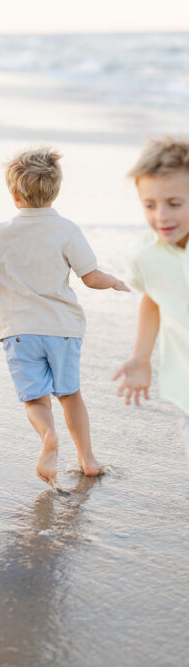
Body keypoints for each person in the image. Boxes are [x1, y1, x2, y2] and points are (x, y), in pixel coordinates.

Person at [0, 147, 129, 485]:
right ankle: (88, 460)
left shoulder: (0, 231)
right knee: (70, 396)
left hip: (19, 332)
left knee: (36, 400)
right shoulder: (66, 229)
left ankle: (48, 436)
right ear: (55, 192)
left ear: (14, 195)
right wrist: (112, 282)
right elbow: (91, 277)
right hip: (63, 331)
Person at [113, 138, 189, 459]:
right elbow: (153, 299)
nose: (162, 217)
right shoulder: (146, 254)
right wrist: (141, 357)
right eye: (150, 205)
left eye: (175, 203)